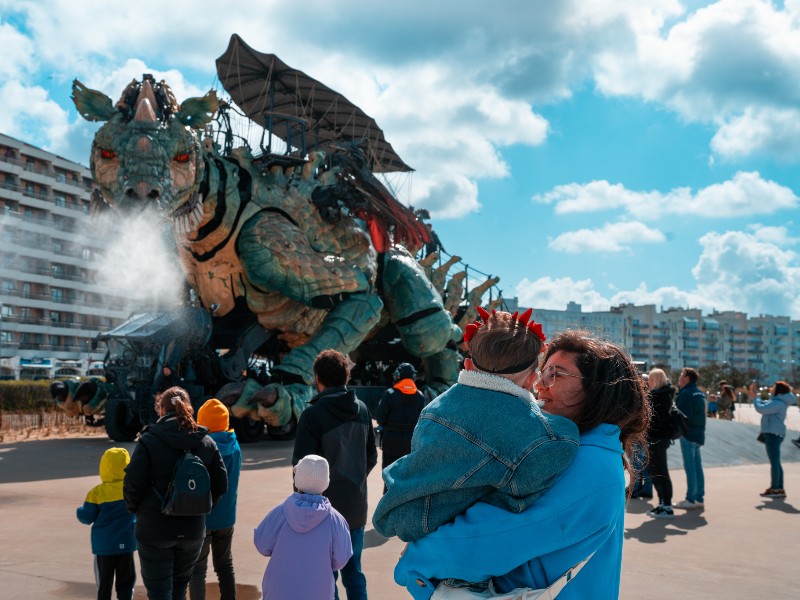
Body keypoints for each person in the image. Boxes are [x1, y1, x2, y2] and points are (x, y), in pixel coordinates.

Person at [394, 329, 650, 600]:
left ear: (598, 389)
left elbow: (489, 541)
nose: (540, 385)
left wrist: (415, 558)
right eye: (543, 372)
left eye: (556, 373)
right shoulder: (594, 452)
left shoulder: (585, 462)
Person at [373, 308, 579, 542]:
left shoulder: (434, 409)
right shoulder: (544, 436)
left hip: (408, 522)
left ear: (469, 365)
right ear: (532, 379)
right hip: (464, 552)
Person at [123, 386, 228, 600]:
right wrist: (199, 507)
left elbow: (133, 483)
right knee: (180, 589)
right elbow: (221, 484)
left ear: (160, 411)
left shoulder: (149, 440)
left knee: (159, 592)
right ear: (189, 409)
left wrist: (136, 510)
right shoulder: (205, 441)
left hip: (154, 527)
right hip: (192, 529)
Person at [292, 349, 377, 600]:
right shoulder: (362, 410)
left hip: (321, 511)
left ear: (317, 377)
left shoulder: (312, 415)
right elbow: (371, 456)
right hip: (355, 506)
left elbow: (301, 468)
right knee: (354, 573)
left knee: (325, 578)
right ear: (346, 377)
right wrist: (354, 478)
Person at [254, 454, 353, 599]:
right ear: (325, 483)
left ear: (297, 480)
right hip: (319, 593)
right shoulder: (336, 520)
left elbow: (262, 544)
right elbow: (341, 559)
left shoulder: (280, 512)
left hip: (278, 593)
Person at [189, 399, 242, 600]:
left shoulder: (201, 447)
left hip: (203, 518)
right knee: (225, 564)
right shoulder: (235, 446)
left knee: (197, 570)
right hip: (227, 517)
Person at [76, 447, 137, 600]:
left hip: (104, 547)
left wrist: (80, 511)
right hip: (126, 544)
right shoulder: (131, 489)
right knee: (126, 583)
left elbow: (87, 517)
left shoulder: (97, 493)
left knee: (104, 584)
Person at [373, 362, 427, 476]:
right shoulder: (420, 396)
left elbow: (379, 417)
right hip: (410, 444)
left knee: (389, 478)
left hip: (390, 444)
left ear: (398, 376)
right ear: (413, 377)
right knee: (407, 479)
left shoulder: (389, 394)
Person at [753, 381, 796, 498]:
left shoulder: (778, 403)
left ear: (779, 390)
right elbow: (765, 404)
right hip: (775, 433)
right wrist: (756, 396)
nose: (771, 388)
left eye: (774, 387)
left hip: (773, 434)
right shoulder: (778, 401)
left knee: (774, 462)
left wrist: (754, 398)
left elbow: (762, 409)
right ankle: (779, 488)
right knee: (776, 462)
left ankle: (775, 488)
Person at [645, 368, 677, 519]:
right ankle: (662, 503)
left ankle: (667, 506)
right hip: (654, 438)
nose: (648, 382)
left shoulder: (661, 396)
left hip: (658, 438)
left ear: (656, 380)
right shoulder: (657, 395)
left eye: (650, 379)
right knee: (654, 472)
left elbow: (656, 419)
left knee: (661, 471)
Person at [675, 367, 707, 510]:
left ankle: (691, 499)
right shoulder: (699, 393)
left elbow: (683, 416)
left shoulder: (686, 393)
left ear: (687, 378)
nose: (679, 378)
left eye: (682, 375)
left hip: (688, 434)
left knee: (690, 468)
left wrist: (679, 431)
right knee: (697, 467)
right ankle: (699, 498)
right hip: (699, 433)